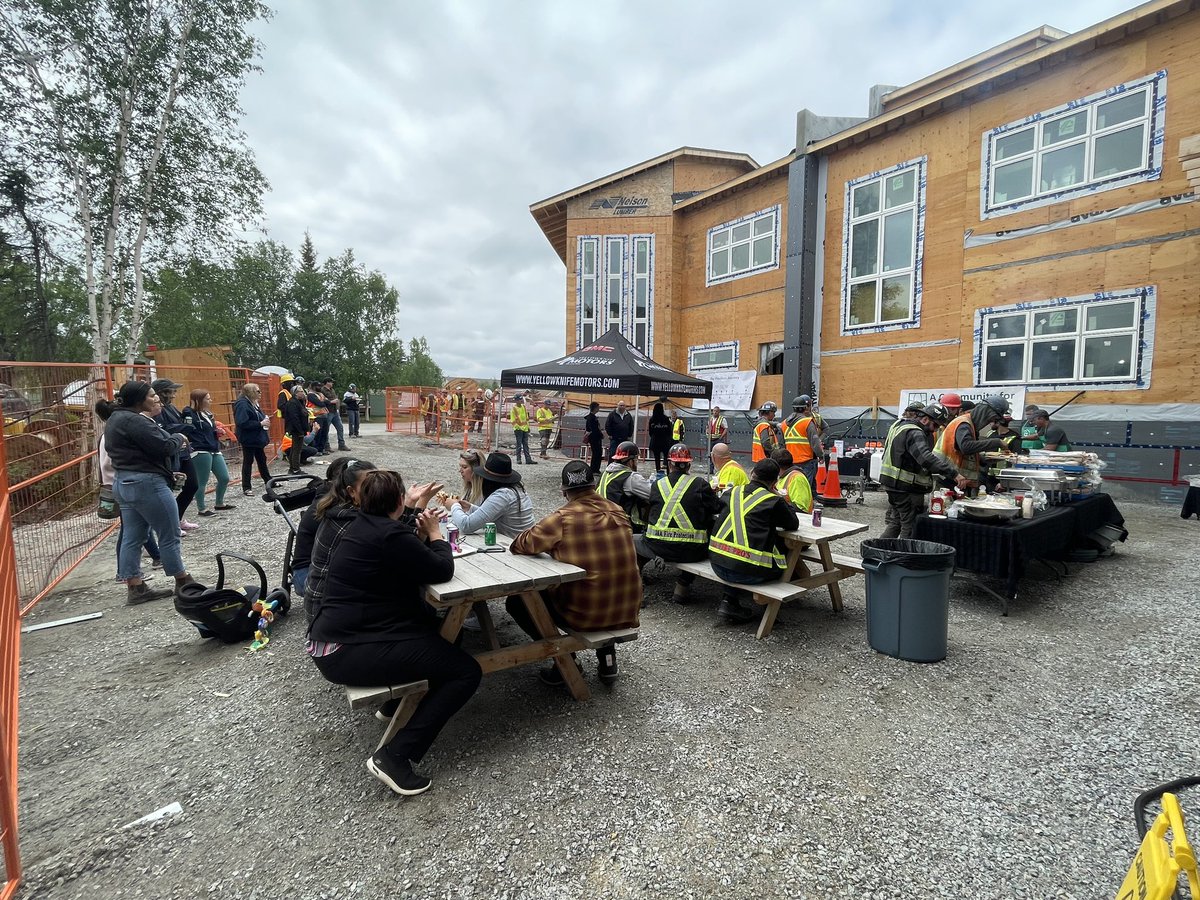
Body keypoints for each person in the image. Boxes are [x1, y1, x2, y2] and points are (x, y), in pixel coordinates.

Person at [308, 469, 478, 797]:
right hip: (344, 651)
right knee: (466, 671)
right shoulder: (389, 535)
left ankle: (394, 705)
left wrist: (416, 523)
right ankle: (394, 756)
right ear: (400, 501)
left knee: (444, 632)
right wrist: (436, 534)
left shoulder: (362, 525)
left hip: (336, 638)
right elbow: (442, 569)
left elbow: (400, 545)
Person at [509, 461, 642, 686]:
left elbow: (520, 545)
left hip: (584, 614)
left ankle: (566, 660)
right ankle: (607, 660)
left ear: (564, 491)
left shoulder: (562, 518)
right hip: (626, 610)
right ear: (594, 486)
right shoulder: (617, 510)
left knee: (517, 603)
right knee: (601, 580)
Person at [105, 381, 197, 604]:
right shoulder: (135, 421)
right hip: (147, 483)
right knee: (169, 532)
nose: (156, 398)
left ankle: (135, 587)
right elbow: (163, 447)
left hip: (124, 482)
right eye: (152, 395)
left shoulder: (116, 418)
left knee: (133, 536)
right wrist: (180, 439)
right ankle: (183, 581)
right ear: (139, 400)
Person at [708, 458, 799, 623]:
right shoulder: (773, 500)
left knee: (739, 549)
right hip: (749, 574)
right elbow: (793, 523)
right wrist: (779, 496)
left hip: (717, 564)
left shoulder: (731, 492)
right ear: (774, 482)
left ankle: (729, 601)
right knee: (786, 550)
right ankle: (770, 606)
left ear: (752, 473)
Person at [634, 443, 721, 604]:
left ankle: (635, 587)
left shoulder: (657, 485)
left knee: (631, 540)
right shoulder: (700, 484)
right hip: (693, 551)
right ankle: (683, 585)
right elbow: (716, 507)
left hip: (657, 547)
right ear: (689, 464)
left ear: (669, 464)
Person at [293, 457, 377, 597]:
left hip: (314, 573)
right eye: (368, 485)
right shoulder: (338, 511)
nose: (375, 489)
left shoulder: (332, 499)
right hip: (306, 577)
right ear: (350, 488)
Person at [96, 399, 162, 575]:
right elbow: (110, 463)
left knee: (138, 527)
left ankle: (155, 557)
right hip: (120, 484)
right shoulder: (112, 436)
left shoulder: (110, 433)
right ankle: (124, 572)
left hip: (120, 483)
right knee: (130, 531)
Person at [880, 403, 964, 539]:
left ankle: (878, 554)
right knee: (910, 526)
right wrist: (953, 473)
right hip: (904, 486)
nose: (935, 430)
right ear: (925, 419)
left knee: (896, 522)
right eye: (935, 426)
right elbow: (925, 458)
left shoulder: (899, 425)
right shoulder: (915, 432)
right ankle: (903, 557)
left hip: (893, 483)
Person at [446, 451, 535, 538]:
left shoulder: (502, 495)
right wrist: (471, 508)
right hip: (523, 541)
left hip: (514, 545)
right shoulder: (515, 489)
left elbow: (466, 526)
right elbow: (491, 513)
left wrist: (454, 506)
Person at [933, 394, 1012, 491]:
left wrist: (985, 459)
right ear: (986, 412)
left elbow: (964, 454)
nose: (990, 421)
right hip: (946, 479)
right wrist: (996, 442)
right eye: (992, 418)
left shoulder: (972, 426)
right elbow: (966, 447)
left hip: (956, 480)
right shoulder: (964, 423)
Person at [151, 378, 200, 534]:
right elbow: (164, 429)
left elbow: (180, 423)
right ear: (162, 393)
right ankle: (168, 526)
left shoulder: (170, 407)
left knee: (192, 485)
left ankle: (176, 519)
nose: (174, 394)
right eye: (172, 391)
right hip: (171, 454)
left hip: (183, 452)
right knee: (168, 492)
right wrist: (184, 428)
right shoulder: (157, 410)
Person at [183, 389, 235, 518]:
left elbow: (208, 429)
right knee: (202, 480)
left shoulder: (207, 413)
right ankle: (202, 508)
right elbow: (188, 429)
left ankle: (219, 503)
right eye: (207, 398)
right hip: (200, 449)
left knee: (224, 478)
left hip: (213, 447)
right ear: (198, 400)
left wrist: (216, 432)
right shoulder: (189, 412)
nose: (210, 400)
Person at [598, 440, 653, 532]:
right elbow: (652, 493)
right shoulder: (630, 477)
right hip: (621, 526)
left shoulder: (605, 474)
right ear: (631, 461)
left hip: (601, 522)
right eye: (636, 459)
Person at [234, 383, 272, 497]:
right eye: (257, 391)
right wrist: (260, 423)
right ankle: (246, 487)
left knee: (262, 459)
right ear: (250, 392)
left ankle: (269, 481)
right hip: (248, 438)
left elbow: (258, 415)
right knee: (248, 461)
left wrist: (264, 419)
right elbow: (242, 422)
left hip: (256, 438)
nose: (260, 393)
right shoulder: (242, 404)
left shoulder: (253, 402)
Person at [782, 395, 824, 493]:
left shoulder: (784, 423)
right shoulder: (807, 422)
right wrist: (821, 455)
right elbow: (815, 442)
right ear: (805, 407)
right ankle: (804, 506)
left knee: (800, 484)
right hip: (806, 460)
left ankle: (812, 502)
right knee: (804, 487)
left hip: (790, 461)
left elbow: (782, 443)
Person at [771, 448, 814, 513]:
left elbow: (800, 508)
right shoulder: (782, 477)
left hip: (799, 519)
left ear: (776, 466)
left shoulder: (797, 479)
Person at [283, 383, 311, 475]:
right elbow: (294, 418)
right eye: (301, 391)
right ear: (295, 393)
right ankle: (295, 469)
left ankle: (293, 468)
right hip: (296, 430)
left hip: (299, 429)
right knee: (296, 450)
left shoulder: (299, 402)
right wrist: (299, 431)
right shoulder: (292, 403)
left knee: (296, 449)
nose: (303, 393)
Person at [509, 394, 536, 465]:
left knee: (526, 445)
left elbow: (526, 418)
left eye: (521, 399)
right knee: (519, 445)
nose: (521, 400)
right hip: (518, 430)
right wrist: (518, 428)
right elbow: (513, 421)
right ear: (516, 400)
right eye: (520, 399)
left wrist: (528, 427)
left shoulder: (523, 407)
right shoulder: (514, 409)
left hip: (525, 429)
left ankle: (528, 459)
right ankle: (519, 459)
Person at [646, 402, 673, 472]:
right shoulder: (666, 419)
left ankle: (658, 472)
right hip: (665, 442)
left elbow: (650, 432)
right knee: (667, 458)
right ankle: (668, 473)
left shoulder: (652, 420)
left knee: (657, 459)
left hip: (655, 441)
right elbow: (669, 431)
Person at [707, 406, 729, 474]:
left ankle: (720, 471)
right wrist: (707, 432)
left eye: (716, 411)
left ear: (719, 412)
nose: (715, 412)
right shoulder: (710, 419)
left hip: (718, 440)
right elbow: (708, 427)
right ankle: (710, 470)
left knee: (719, 455)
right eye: (714, 411)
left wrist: (721, 437)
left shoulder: (722, 419)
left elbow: (726, 429)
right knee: (710, 454)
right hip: (710, 439)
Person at [584, 401, 603, 475]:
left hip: (594, 438)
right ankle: (594, 469)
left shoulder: (591, 417)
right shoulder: (592, 418)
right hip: (595, 438)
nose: (599, 409)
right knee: (597, 453)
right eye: (598, 407)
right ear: (595, 408)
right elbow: (594, 429)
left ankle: (595, 469)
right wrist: (600, 434)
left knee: (596, 453)